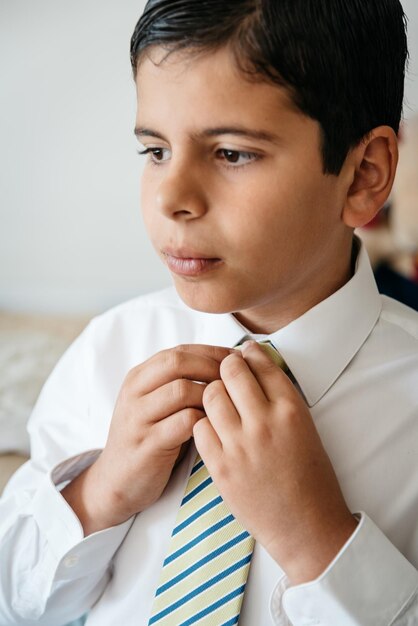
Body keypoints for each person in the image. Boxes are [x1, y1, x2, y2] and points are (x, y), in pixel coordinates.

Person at [1, 0, 417, 624]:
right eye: (156, 151)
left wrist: (318, 541)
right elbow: (16, 600)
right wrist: (100, 492)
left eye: (231, 153)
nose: (171, 198)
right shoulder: (107, 351)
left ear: (363, 174)